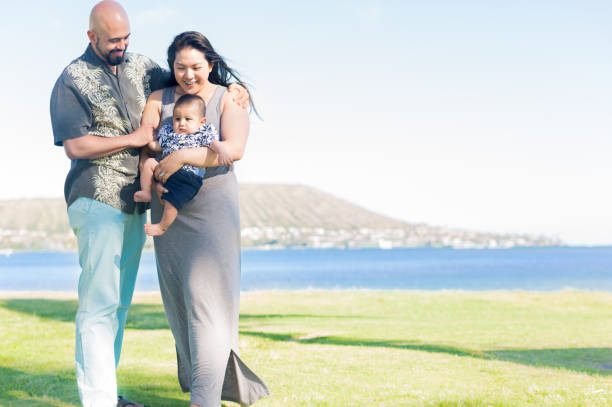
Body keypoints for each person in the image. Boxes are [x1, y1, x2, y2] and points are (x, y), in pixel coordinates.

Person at [50, 3, 249, 407]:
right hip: (97, 195)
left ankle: (106, 395)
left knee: (118, 304)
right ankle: (99, 401)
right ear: (92, 37)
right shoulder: (72, 78)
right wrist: (138, 138)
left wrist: (236, 89)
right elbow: (75, 145)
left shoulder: (142, 66)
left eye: (127, 38)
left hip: (138, 202)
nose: (122, 46)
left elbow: (192, 80)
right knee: (99, 305)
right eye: (113, 40)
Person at [142, 31, 269, 407]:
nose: (188, 74)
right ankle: (210, 391)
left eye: (196, 66)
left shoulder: (230, 98)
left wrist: (182, 157)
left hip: (213, 212)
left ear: (210, 64)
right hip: (168, 212)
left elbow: (234, 149)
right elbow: (148, 142)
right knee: (182, 310)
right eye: (180, 67)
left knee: (208, 310)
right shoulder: (157, 99)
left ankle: (204, 400)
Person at [134, 94, 232, 236]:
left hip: (188, 177)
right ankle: (146, 192)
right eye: (177, 119)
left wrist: (222, 152)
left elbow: (214, 144)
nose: (181, 123)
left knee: (171, 202)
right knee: (149, 163)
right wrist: (149, 139)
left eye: (188, 119)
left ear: (201, 122)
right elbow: (156, 147)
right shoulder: (170, 134)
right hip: (166, 172)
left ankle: (162, 227)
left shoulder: (201, 134)